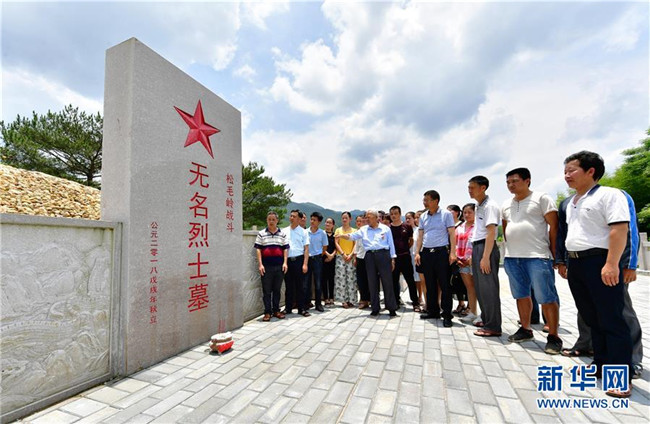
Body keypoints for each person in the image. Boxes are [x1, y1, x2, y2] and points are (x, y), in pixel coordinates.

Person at [558, 151, 633, 398]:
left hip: (600, 262)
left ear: (591, 171)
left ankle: (620, 376)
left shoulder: (610, 195)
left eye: (572, 170)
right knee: (592, 318)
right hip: (577, 264)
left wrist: (612, 264)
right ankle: (600, 364)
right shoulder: (572, 201)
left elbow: (619, 230)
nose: (566, 175)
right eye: (565, 171)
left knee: (612, 318)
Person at [501, 168, 562, 354]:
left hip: (537, 255)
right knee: (521, 294)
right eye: (508, 182)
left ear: (527, 180)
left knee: (546, 297)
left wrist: (555, 253)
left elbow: (554, 227)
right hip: (513, 257)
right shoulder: (506, 204)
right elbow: (505, 228)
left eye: (515, 181)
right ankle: (526, 329)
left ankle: (554, 336)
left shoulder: (541, 198)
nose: (511, 185)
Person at [338, 209, 399, 317]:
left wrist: (393, 259)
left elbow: (391, 244)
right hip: (369, 256)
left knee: (387, 282)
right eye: (366, 217)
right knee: (372, 282)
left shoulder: (385, 229)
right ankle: (375, 308)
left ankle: (391, 308)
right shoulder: (364, 229)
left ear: (376, 218)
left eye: (369, 217)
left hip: (383, 255)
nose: (367, 219)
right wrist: (342, 236)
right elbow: (352, 236)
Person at [414, 190, 457, 327]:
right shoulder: (423, 216)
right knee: (430, 284)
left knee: (445, 285)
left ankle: (447, 315)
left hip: (441, 253)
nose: (424, 202)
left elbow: (452, 234)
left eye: (427, 200)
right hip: (427, 253)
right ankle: (433, 311)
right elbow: (420, 235)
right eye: (424, 200)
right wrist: (417, 252)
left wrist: (453, 253)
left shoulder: (446, 214)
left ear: (436, 201)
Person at [468, 175, 502, 337]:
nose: (470, 190)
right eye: (469, 188)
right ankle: (486, 319)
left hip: (485, 248)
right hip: (477, 246)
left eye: (472, 187)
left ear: (483, 188)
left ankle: (493, 326)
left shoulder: (490, 206)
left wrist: (485, 257)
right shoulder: (478, 205)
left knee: (489, 288)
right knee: (481, 288)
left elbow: (491, 232)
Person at [254, 211, 289, 321]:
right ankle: (267, 312)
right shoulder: (261, 233)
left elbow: (285, 249)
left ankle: (276, 311)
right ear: (267, 220)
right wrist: (260, 265)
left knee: (277, 290)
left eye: (273, 219)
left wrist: (285, 263)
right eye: (269, 219)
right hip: (266, 267)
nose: (271, 221)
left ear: (277, 221)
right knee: (267, 291)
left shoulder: (282, 234)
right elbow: (258, 250)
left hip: (279, 266)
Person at [389, 206, 420, 312]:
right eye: (391, 214)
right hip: (394, 258)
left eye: (395, 213)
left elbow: (410, 240)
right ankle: (396, 301)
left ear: (400, 214)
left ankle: (415, 303)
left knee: (410, 280)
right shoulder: (388, 228)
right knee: (394, 281)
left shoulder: (407, 226)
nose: (393, 216)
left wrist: (405, 248)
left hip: (405, 256)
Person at [283, 209, 311, 317]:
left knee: (300, 286)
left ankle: (301, 308)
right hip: (288, 261)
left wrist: (305, 264)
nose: (291, 218)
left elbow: (306, 249)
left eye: (294, 216)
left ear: (299, 219)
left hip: (299, 260)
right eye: (291, 216)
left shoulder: (304, 232)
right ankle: (288, 308)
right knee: (288, 286)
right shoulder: (284, 231)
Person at [456, 203, 480, 326]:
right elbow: (455, 243)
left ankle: (484, 314)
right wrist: (457, 259)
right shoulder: (459, 227)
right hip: (462, 261)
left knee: (480, 288)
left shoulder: (479, 226)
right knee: (469, 288)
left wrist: (471, 258)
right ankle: (472, 312)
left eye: (470, 212)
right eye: (464, 212)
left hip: (475, 261)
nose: (466, 215)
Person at [334, 211, 358, 308]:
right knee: (341, 278)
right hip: (340, 256)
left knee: (351, 278)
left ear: (350, 219)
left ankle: (351, 300)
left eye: (346, 218)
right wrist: (343, 254)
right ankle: (343, 301)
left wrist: (351, 254)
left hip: (351, 256)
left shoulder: (354, 231)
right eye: (343, 218)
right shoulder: (338, 230)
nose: (344, 220)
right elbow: (336, 243)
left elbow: (356, 244)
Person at [447, 204, 468, 315]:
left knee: (466, 282)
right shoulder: (448, 225)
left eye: (450, 211)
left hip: (462, 256)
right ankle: (461, 303)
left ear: (456, 213)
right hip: (450, 256)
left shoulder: (462, 225)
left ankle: (470, 306)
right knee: (455, 281)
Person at [307, 212, 328, 312]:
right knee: (306, 282)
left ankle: (318, 304)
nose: (312, 221)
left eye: (314, 220)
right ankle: (307, 302)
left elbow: (325, 247)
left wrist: (319, 255)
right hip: (307, 259)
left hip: (317, 259)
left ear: (319, 222)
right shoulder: (305, 232)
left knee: (318, 282)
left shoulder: (322, 233)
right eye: (311, 219)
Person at [354, 214, 371, 309]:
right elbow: (356, 245)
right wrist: (355, 257)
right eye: (362, 220)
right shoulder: (359, 231)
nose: (363, 221)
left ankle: (372, 299)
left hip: (370, 257)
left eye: (365, 219)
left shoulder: (372, 229)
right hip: (360, 257)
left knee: (371, 279)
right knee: (361, 280)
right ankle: (364, 300)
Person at [414, 210, 427, 308]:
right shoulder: (416, 230)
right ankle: (427, 302)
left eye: (418, 217)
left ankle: (436, 302)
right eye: (415, 217)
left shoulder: (428, 228)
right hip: (418, 256)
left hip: (428, 255)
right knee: (423, 282)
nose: (416, 219)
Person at [322, 217, 337, 306]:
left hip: (333, 259)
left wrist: (332, 256)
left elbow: (336, 247)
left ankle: (331, 297)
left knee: (331, 279)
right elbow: (321, 246)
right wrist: (328, 255)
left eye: (329, 223)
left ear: (333, 225)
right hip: (324, 259)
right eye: (326, 222)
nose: (327, 224)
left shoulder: (335, 235)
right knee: (324, 279)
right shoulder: (322, 234)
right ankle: (325, 298)